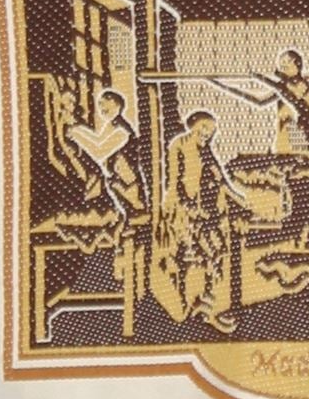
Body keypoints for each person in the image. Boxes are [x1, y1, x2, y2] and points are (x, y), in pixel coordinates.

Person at [160, 111, 243, 333]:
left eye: (212, 129)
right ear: (193, 124)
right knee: (190, 260)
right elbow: (175, 181)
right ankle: (188, 309)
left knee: (213, 257)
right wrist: (186, 209)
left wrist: (240, 200)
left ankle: (208, 309)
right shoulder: (178, 145)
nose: (209, 132)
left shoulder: (205, 150)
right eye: (205, 127)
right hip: (185, 215)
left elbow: (220, 179)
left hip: (205, 215)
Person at [66, 88, 147, 224]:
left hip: (128, 184)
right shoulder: (111, 124)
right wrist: (79, 129)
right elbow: (98, 139)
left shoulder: (122, 130)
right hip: (116, 180)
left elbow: (100, 152)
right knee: (128, 214)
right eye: (100, 104)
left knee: (137, 214)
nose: (101, 108)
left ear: (117, 106)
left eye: (105, 104)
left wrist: (78, 136)